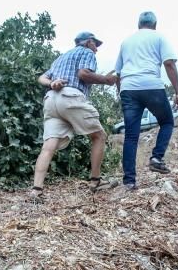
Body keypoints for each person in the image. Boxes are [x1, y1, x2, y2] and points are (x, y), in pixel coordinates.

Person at [30, 31, 119, 200]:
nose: (96, 49)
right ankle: (96, 181)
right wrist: (107, 80)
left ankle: (36, 190)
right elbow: (83, 75)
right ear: (88, 42)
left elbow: (41, 78)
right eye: (95, 45)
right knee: (99, 136)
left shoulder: (60, 58)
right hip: (70, 97)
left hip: (51, 100)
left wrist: (52, 83)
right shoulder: (86, 52)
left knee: (48, 146)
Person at [114, 11, 178, 190]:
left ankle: (129, 181)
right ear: (155, 24)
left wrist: (122, 93)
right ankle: (156, 157)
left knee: (130, 136)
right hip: (151, 85)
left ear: (138, 24)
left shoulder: (126, 42)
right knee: (167, 122)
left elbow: (119, 73)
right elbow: (169, 64)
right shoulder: (159, 37)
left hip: (129, 87)